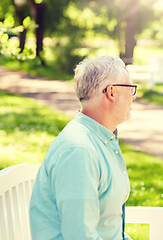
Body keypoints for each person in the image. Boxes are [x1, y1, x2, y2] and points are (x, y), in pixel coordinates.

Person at [29, 56, 137, 240]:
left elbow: (108, 227)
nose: (133, 97)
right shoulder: (79, 151)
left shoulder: (101, 141)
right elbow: (80, 236)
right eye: (130, 89)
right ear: (111, 92)